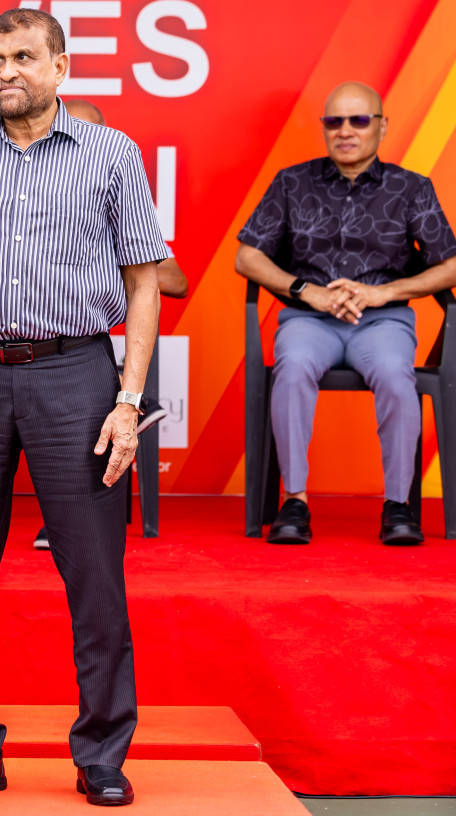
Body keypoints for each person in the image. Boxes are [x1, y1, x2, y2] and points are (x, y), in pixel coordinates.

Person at [0, 9, 168, 807]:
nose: (6, 70)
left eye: (23, 56)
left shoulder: (112, 154)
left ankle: (101, 753)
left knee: (94, 575)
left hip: (75, 374)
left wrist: (128, 399)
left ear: (60, 66)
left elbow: (143, 280)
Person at [235, 81, 456, 546]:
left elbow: (451, 264)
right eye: (334, 121)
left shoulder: (410, 188)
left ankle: (399, 505)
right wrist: (306, 291)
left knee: (398, 376)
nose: (346, 131)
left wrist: (385, 293)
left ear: (382, 125)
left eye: (359, 120)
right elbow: (247, 257)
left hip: (382, 322)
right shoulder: (292, 182)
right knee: (292, 369)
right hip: (310, 321)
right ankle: (294, 501)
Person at [31, 99, 188, 551]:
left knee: (86, 390)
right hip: (20, 351)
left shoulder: (114, 195)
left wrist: (102, 261)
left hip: (90, 348)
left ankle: (70, 520)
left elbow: (174, 280)